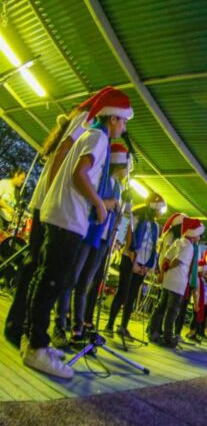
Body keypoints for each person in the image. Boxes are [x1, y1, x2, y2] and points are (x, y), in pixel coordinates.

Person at [23, 89, 132, 378]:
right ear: (112, 118)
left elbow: (81, 176)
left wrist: (101, 202)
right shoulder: (97, 138)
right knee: (53, 281)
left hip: (64, 215)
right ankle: (36, 348)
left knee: (47, 279)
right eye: (123, 121)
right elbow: (79, 175)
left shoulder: (93, 136)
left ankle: (33, 340)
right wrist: (99, 204)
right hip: (67, 218)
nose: (125, 127)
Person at [4, 88, 114, 347]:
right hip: (48, 202)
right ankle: (21, 327)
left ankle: (22, 326)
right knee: (40, 269)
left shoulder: (80, 119)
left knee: (36, 266)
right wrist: (57, 196)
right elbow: (64, 151)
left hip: (46, 200)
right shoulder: (86, 120)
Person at [56, 142, 130, 345]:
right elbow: (89, 199)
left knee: (85, 283)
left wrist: (118, 236)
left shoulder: (120, 187)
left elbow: (121, 219)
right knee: (72, 278)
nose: (127, 170)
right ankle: (60, 323)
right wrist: (106, 204)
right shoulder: (102, 178)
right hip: (89, 233)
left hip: (103, 240)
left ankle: (79, 326)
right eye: (126, 166)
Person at [105, 192, 164, 340]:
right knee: (123, 293)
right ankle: (110, 325)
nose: (160, 212)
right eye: (160, 208)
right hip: (130, 260)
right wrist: (134, 262)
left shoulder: (156, 226)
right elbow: (129, 239)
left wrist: (148, 266)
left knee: (132, 297)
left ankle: (123, 326)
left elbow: (152, 247)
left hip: (143, 265)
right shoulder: (136, 218)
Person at [148, 217, 204, 348]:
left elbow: (166, 257)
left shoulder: (179, 241)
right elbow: (177, 261)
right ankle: (167, 337)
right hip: (178, 281)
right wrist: (168, 268)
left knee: (161, 306)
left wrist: (163, 272)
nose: (199, 237)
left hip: (169, 280)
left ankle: (153, 330)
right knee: (172, 311)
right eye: (198, 234)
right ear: (193, 234)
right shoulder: (189, 246)